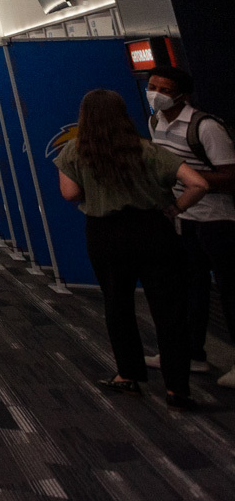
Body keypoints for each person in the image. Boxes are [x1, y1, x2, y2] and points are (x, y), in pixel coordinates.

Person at [56, 87, 210, 409]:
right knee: (169, 312)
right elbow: (199, 184)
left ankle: (128, 376)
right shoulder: (148, 150)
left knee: (117, 305)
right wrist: (176, 208)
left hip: (105, 234)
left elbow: (70, 194)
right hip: (153, 231)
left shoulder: (73, 151)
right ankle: (177, 390)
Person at [143, 67, 235, 387]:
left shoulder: (206, 127)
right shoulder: (155, 122)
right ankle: (193, 353)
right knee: (191, 290)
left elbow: (230, 175)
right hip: (185, 218)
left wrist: (185, 177)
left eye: (163, 89)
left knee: (229, 290)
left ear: (181, 95)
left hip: (217, 219)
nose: (155, 93)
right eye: (151, 86)